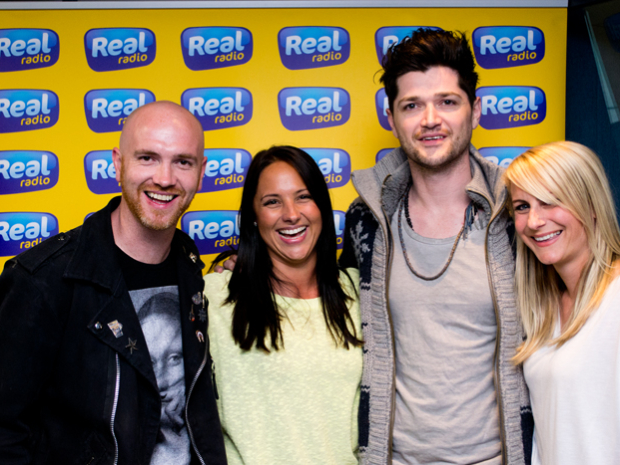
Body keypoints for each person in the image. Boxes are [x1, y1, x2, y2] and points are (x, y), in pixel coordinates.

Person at [338, 29, 533, 464]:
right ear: (391, 117)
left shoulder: (517, 215)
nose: (430, 119)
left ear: (475, 110)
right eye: (412, 105)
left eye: (447, 101)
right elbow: (327, 303)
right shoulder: (366, 219)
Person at [0, 101, 227, 465]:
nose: (165, 178)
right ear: (118, 165)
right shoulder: (44, 280)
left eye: (182, 162)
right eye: (147, 158)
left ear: (201, 173)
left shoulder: (188, 264)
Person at [205, 146, 363, 465]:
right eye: (272, 202)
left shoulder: (360, 290)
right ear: (253, 216)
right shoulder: (215, 296)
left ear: (322, 206)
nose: (291, 214)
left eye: (303, 197)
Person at [504, 141, 620, 465]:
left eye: (550, 201)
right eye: (522, 206)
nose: (534, 221)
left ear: (591, 205)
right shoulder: (545, 310)